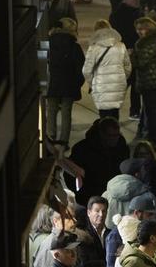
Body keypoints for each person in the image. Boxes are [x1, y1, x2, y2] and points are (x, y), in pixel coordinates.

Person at [45, 17, 85, 151]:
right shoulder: (74, 46)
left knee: (51, 111)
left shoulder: (49, 43)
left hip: (52, 83)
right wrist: (78, 83)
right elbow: (80, 67)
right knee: (66, 113)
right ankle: (63, 141)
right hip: (69, 84)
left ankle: (50, 138)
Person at [69, 118, 130, 205]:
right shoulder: (82, 149)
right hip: (89, 197)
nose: (114, 139)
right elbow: (71, 173)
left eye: (116, 135)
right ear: (102, 134)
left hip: (114, 196)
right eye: (110, 135)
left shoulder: (122, 148)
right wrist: (80, 193)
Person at [131, 17, 156, 145]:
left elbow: (141, 62)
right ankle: (143, 132)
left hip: (151, 83)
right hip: (153, 81)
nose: (138, 32)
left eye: (141, 29)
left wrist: (131, 55)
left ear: (148, 29)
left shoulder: (150, 43)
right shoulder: (152, 41)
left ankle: (154, 139)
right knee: (148, 110)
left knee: (151, 112)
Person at [84, 19, 132, 121]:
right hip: (118, 83)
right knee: (115, 113)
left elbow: (86, 70)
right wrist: (122, 77)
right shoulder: (121, 46)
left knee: (104, 114)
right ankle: (115, 133)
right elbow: (128, 67)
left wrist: (92, 82)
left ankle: (105, 134)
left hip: (101, 85)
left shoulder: (94, 48)